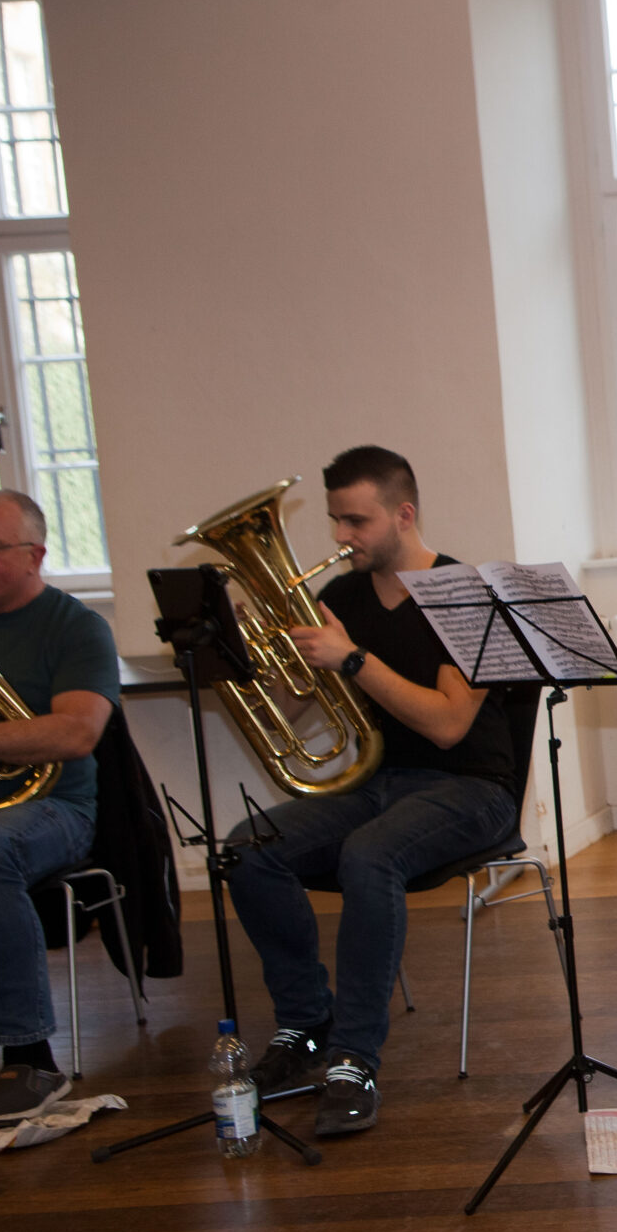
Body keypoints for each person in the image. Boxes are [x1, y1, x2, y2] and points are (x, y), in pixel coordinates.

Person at [232, 446, 520, 1137]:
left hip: (472, 787)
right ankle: (305, 1021)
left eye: (356, 521)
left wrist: (354, 658)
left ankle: (354, 1058)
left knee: (369, 854)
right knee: (249, 847)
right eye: (336, 520)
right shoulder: (342, 598)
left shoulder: (462, 592)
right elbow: (295, 707)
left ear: (404, 514)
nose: (341, 536)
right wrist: (250, 652)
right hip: (378, 784)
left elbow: (448, 725)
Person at [0, 490, 118, 1121]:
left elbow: (78, 733)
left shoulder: (76, 627)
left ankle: (31, 1059)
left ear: (35, 556)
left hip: (53, 807)